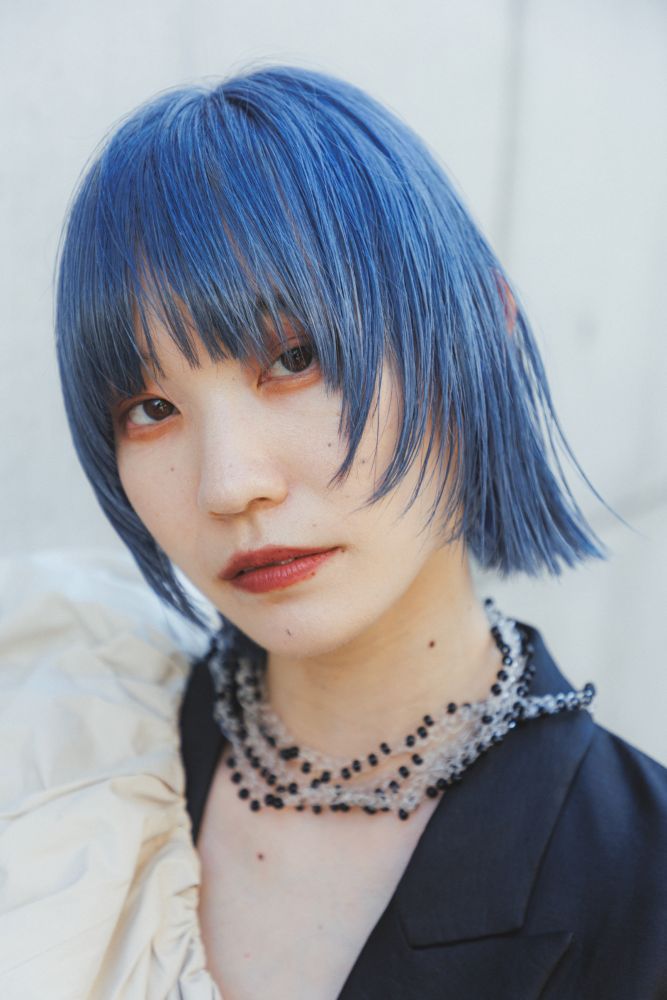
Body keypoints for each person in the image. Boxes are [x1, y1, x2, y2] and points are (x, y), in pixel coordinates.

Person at [2, 65, 665, 999]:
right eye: (151, 409)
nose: (230, 485)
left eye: (294, 357)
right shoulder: (68, 744)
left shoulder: (640, 888)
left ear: (482, 327)